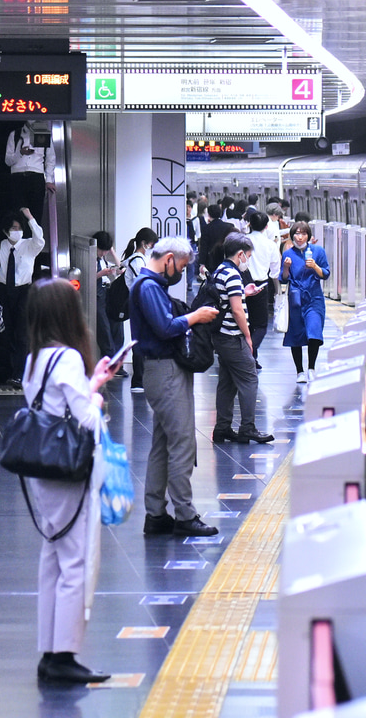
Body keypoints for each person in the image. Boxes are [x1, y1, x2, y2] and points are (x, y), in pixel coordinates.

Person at [22, 278, 118, 684]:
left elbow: (57, 403)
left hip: (43, 472)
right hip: (70, 474)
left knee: (53, 561)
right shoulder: (66, 358)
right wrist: (96, 397)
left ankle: (50, 651)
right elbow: (87, 419)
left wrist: (91, 382)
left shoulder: (36, 359)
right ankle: (64, 655)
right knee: (77, 562)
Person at [128, 237, 222, 538]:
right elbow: (165, 327)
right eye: (180, 266)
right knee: (182, 442)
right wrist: (196, 317)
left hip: (160, 370)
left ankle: (155, 513)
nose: (180, 272)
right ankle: (185, 514)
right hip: (165, 370)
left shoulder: (148, 285)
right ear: (168, 258)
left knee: (162, 444)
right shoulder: (149, 287)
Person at [211, 233, 274, 445]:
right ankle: (247, 428)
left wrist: (244, 293)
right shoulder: (233, 274)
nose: (248, 260)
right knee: (249, 378)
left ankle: (222, 428)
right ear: (240, 254)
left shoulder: (220, 270)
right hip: (232, 336)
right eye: (247, 256)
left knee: (227, 382)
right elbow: (237, 311)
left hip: (221, 336)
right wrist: (248, 337)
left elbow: (228, 299)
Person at [0, 208, 47, 386]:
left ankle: (20, 373)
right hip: (4, 291)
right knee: (8, 332)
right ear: (5, 230)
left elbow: (40, 239)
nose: (17, 231)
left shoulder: (29, 245)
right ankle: (13, 370)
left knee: (22, 333)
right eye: (13, 228)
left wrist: (30, 218)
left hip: (24, 291)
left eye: (19, 228)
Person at [281, 221, 331, 383]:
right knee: (296, 334)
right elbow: (283, 278)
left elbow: (325, 273)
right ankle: (299, 371)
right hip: (296, 299)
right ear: (292, 235)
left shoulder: (318, 251)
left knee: (314, 331)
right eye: (296, 233)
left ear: (308, 236)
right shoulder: (288, 254)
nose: (300, 237)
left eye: (303, 234)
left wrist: (315, 266)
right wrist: (287, 267)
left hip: (314, 297)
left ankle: (311, 367)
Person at [122, 227, 159, 393]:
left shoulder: (139, 259)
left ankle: (141, 379)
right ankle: (138, 380)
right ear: (144, 243)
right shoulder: (137, 260)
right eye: (150, 245)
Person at [5, 121, 56, 233]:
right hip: (17, 177)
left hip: (36, 177)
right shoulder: (15, 135)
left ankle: (33, 243)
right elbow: (8, 161)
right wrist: (20, 153)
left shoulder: (44, 135)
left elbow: (50, 159)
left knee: (36, 214)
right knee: (17, 214)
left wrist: (49, 180)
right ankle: (18, 244)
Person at [245, 211, 280, 367]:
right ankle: (249, 353)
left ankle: (252, 357)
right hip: (261, 285)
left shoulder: (243, 241)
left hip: (243, 285)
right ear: (266, 226)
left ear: (249, 224)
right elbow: (275, 270)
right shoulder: (270, 245)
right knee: (260, 325)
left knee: (248, 323)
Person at [91, 230, 125, 364]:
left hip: (108, 294)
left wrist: (112, 251)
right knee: (104, 329)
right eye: (102, 250)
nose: (103, 253)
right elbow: (89, 278)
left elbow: (121, 269)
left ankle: (116, 362)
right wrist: (101, 274)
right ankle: (110, 361)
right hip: (98, 295)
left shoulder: (103, 258)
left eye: (106, 250)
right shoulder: (91, 257)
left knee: (117, 328)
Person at [198, 203, 233, 276]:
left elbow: (204, 246)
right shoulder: (229, 226)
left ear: (209, 214)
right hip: (225, 258)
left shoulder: (206, 228)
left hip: (211, 260)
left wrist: (202, 263)